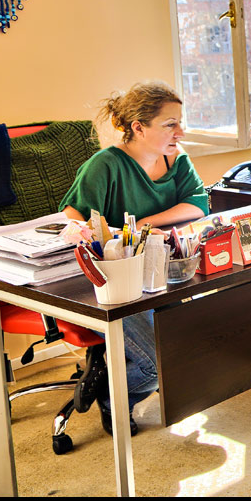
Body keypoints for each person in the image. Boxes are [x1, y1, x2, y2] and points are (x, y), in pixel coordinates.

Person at [61, 82, 208, 436]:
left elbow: (197, 205)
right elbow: (72, 219)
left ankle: (107, 370)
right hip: (114, 283)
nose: (180, 132)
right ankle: (111, 395)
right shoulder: (104, 166)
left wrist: (142, 225)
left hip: (160, 274)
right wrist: (114, 235)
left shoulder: (176, 158)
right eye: (170, 124)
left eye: (180, 122)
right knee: (158, 364)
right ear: (139, 128)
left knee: (193, 348)